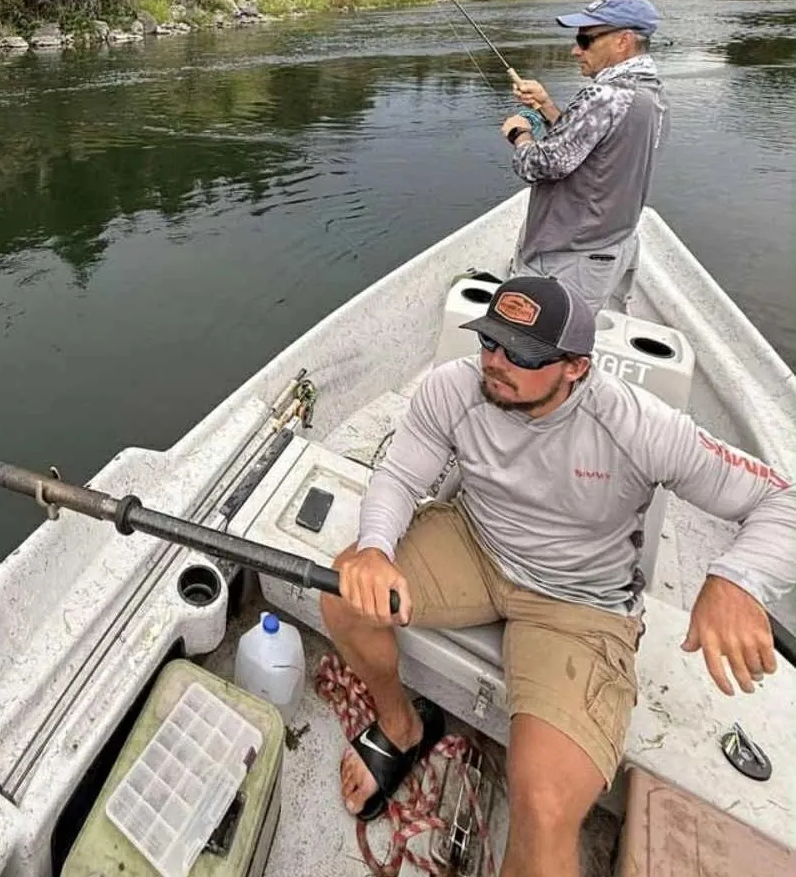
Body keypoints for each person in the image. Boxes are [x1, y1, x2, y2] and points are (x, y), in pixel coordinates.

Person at [320, 274, 793, 877]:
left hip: (580, 602)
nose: (494, 363)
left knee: (542, 812)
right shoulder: (454, 387)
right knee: (342, 590)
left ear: (575, 367)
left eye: (522, 355)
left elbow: (782, 499)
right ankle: (400, 725)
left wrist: (736, 580)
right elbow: (401, 476)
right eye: (490, 341)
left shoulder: (640, 425)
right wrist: (377, 550)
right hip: (477, 541)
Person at [500, 0, 668, 313]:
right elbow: (597, 150)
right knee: (574, 343)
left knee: (539, 352)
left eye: (585, 39)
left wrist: (519, 132)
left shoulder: (604, 95)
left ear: (623, 41)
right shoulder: (651, 90)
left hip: (571, 257)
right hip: (612, 245)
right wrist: (547, 106)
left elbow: (539, 165)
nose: (575, 49)